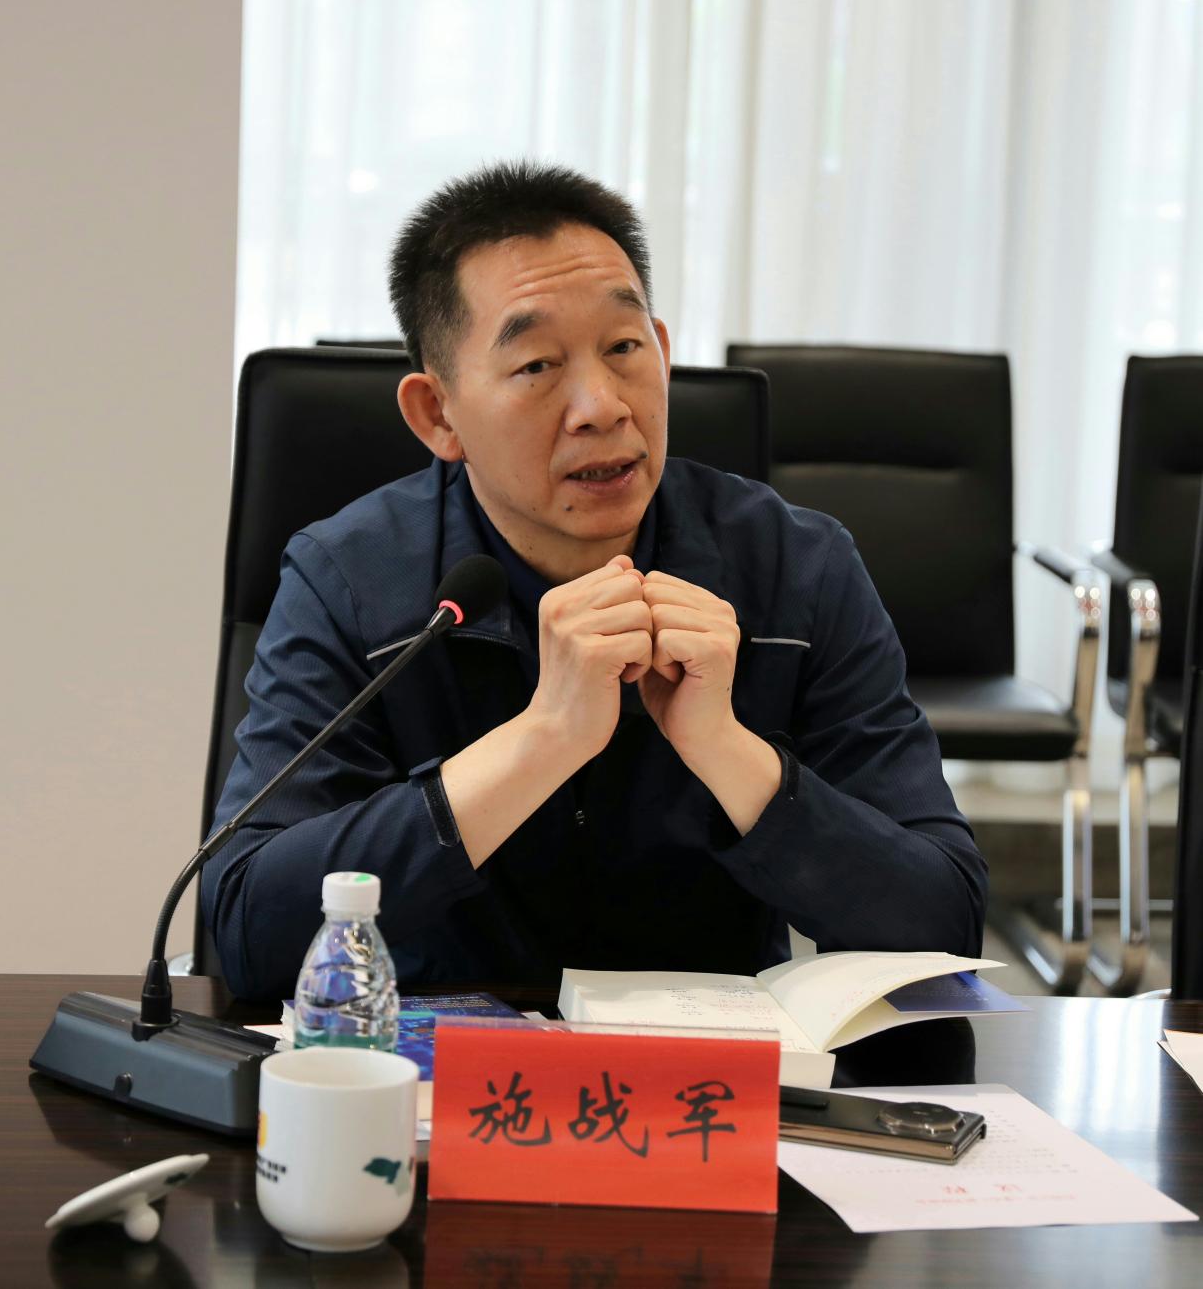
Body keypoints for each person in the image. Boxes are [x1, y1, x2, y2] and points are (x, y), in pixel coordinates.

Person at [202, 162, 987, 1001]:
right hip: (434, 1061)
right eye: (537, 365)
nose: (601, 406)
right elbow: (246, 929)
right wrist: (542, 739)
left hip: (711, 1068)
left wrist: (724, 747)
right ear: (438, 413)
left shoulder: (795, 568)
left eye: (623, 348)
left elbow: (940, 926)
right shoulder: (351, 579)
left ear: (663, 352)